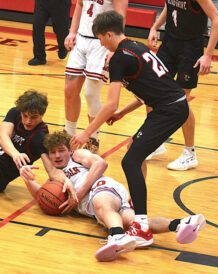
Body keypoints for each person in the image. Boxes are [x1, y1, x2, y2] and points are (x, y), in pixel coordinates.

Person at [70, 10, 196, 246]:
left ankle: (141, 226)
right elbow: (145, 91)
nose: (100, 43)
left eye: (100, 38)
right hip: (169, 106)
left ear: (108, 35)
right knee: (133, 151)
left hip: (168, 110)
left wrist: (87, 132)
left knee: (130, 160)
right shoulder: (137, 48)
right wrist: (122, 114)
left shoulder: (119, 57)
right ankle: (139, 211)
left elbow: (109, 103)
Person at [20, 131, 206, 262]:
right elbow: (44, 198)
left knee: (102, 205)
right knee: (130, 221)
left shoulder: (78, 155)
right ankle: (181, 224)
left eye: (61, 150)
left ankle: (116, 236)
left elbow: (100, 164)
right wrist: (27, 178)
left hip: (102, 189)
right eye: (53, 153)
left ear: (69, 149)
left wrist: (80, 192)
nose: (57, 155)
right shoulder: (56, 178)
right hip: (101, 205)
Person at [146, 0, 218, 170]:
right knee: (152, 93)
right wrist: (155, 26)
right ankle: (155, 143)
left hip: (190, 48)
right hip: (169, 43)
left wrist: (208, 55)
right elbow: (170, 5)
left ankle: (190, 153)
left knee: (181, 102)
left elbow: (217, 20)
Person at [63, 0, 128, 152]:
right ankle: (69, 134)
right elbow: (80, 5)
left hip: (102, 42)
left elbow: (120, 18)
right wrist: (72, 31)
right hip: (81, 39)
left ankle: (93, 138)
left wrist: (114, 47)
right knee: (69, 91)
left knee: (91, 93)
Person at [28, 0, 71, 66]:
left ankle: (63, 47)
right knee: (37, 24)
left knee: (60, 28)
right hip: (42, 2)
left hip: (61, 3)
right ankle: (39, 57)